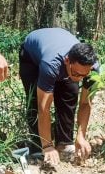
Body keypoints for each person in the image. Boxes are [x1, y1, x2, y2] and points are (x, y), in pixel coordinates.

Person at [19, 28, 98, 165]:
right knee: (35, 101)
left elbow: (85, 104)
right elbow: (43, 108)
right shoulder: (51, 64)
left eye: (84, 75)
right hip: (31, 57)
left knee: (70, 93)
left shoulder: (94, 69)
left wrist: (81, 135)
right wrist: (47, 146)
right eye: (77, 74)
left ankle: (64, 143)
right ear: (67, 60)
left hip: (58, 47)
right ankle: (38, 145)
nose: (80, 79)